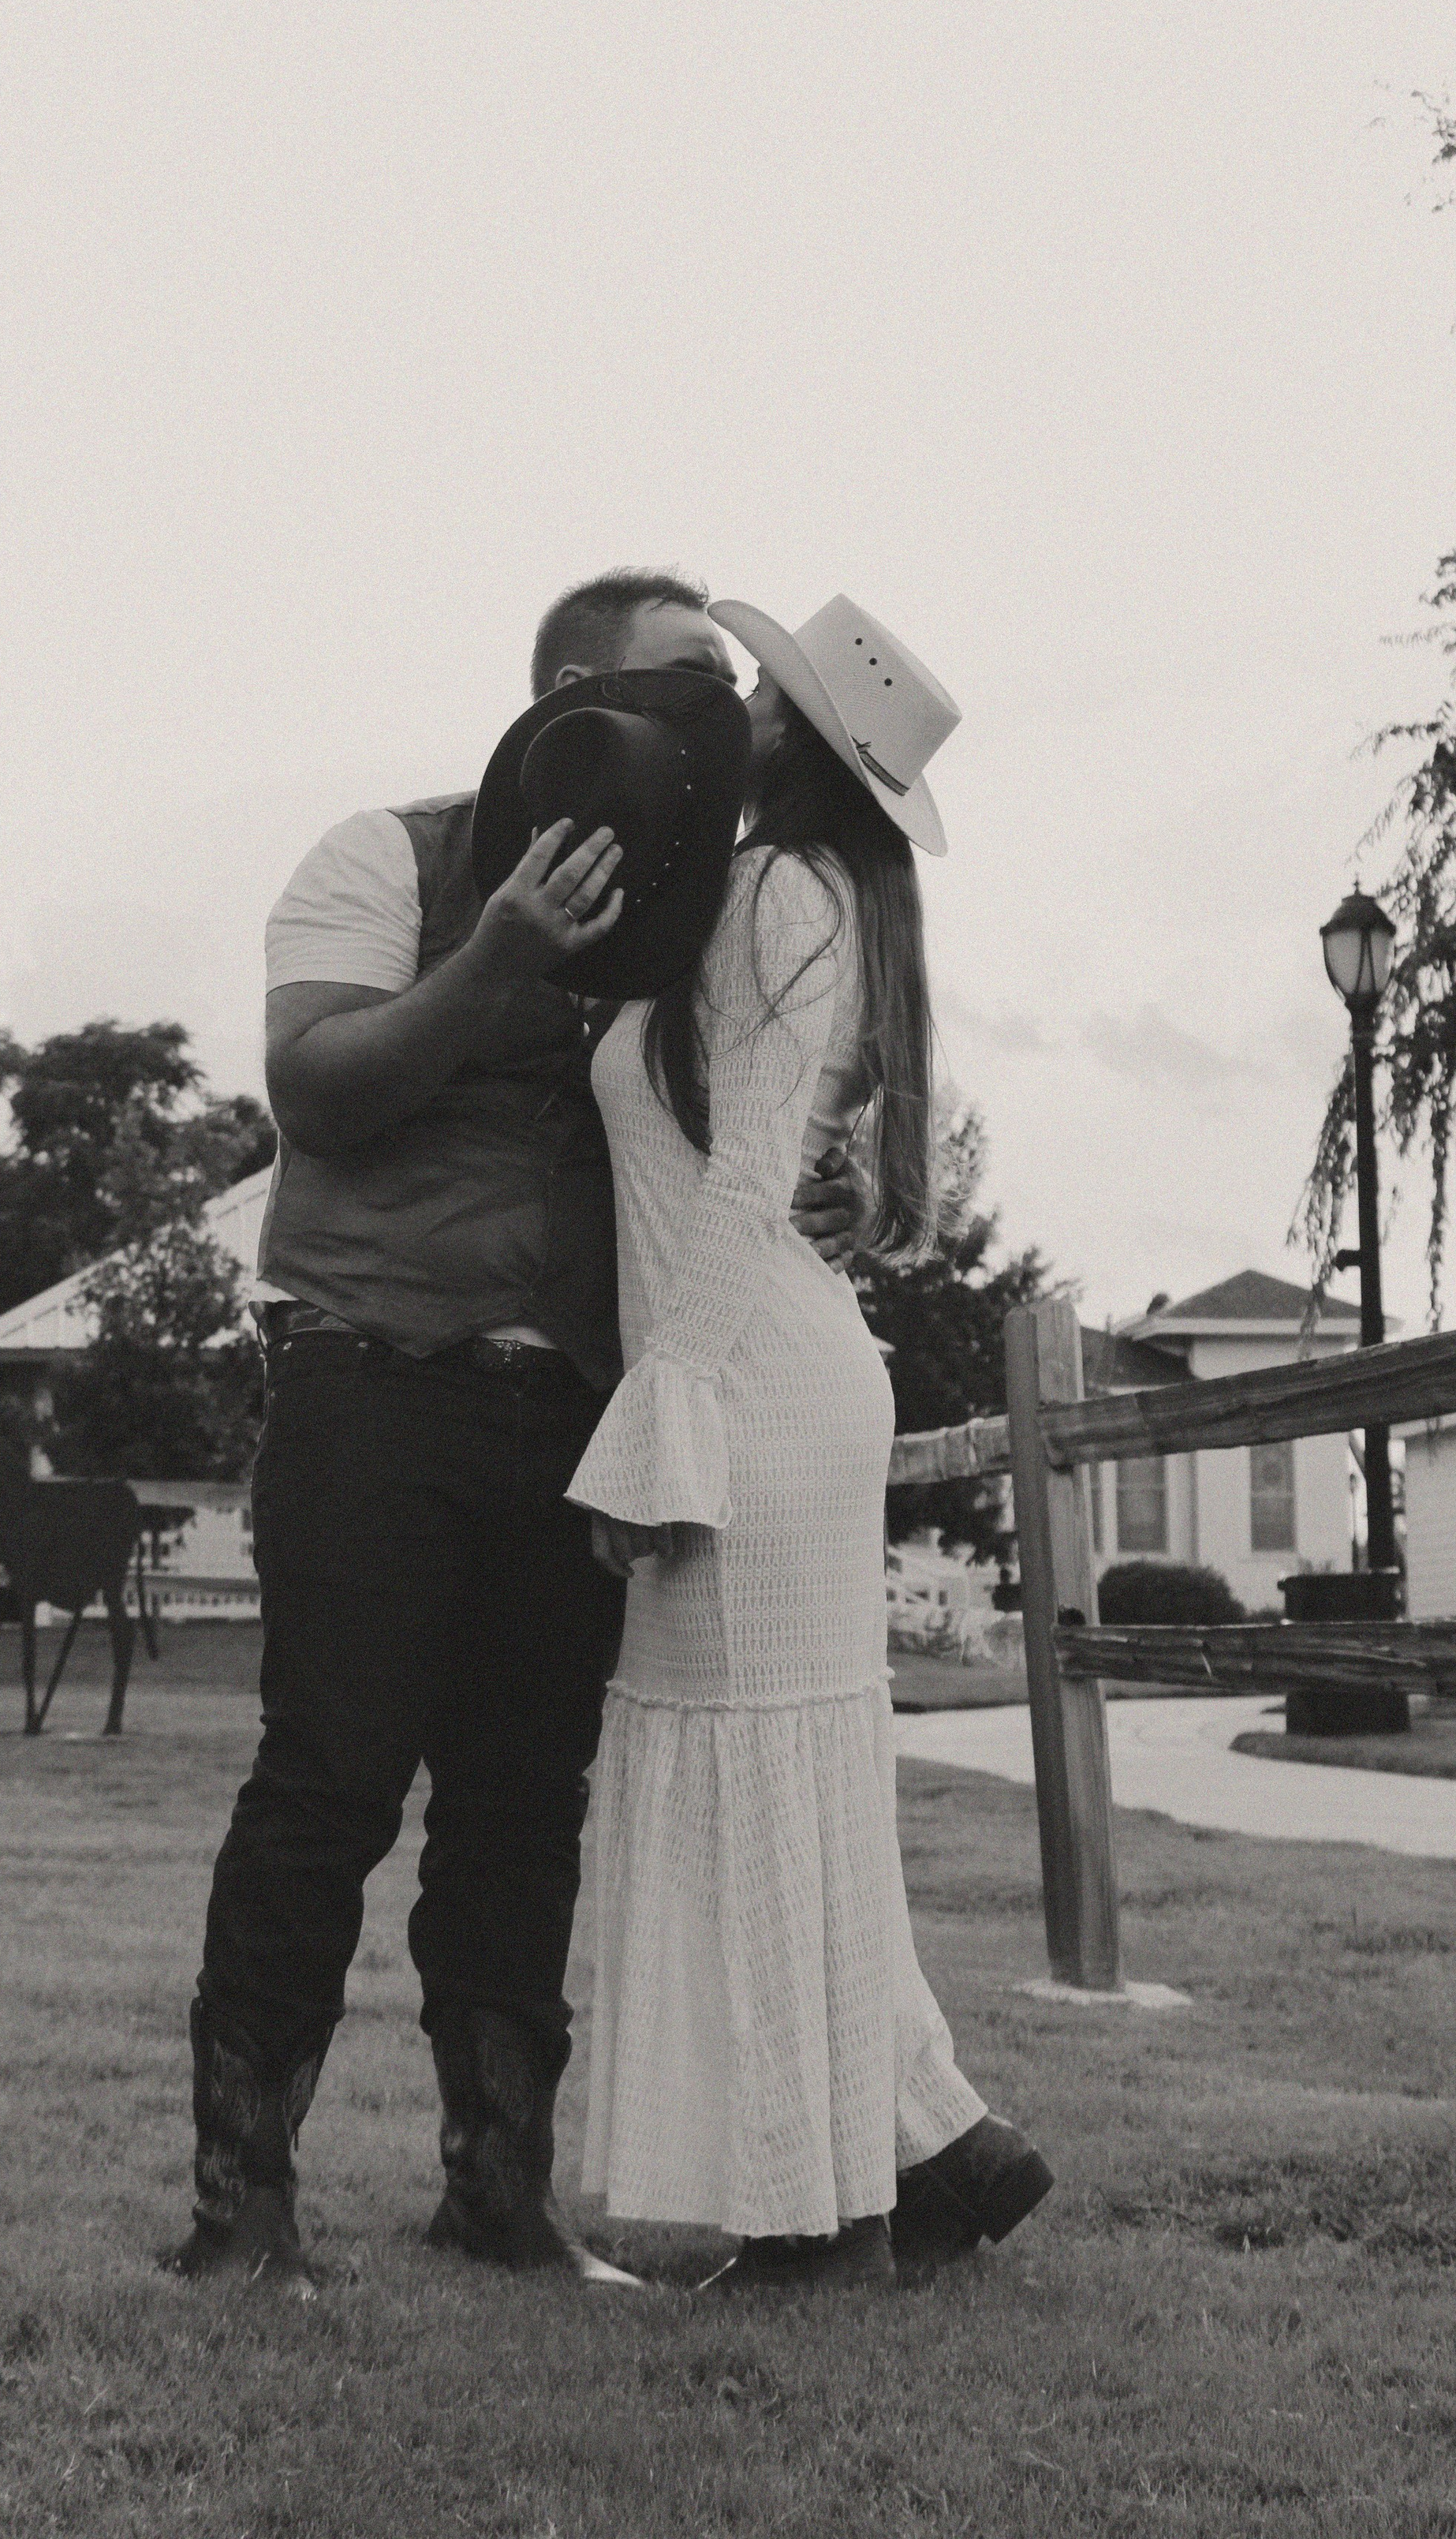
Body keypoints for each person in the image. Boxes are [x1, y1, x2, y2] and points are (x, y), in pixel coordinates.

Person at [166, 570, 863, 2296]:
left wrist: (797, 1181)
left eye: (729, 697)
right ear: (570, 693)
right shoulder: (383, 859)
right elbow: (315, 1093)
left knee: (517, 1810)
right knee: (325, 1786)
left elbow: (701, 1139)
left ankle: (496, 2200)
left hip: (569, 1414)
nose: (719, 722)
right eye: (680, 686)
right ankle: (239, 2208)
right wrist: (494, 963)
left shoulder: (692, 911)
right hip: (369, 1386)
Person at [569, 593, 1052, 2290]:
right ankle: (926, 2159)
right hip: (767, 1373)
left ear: (795, 734)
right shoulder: (802, 894)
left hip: (747, 1387)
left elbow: (740, 1173)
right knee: (787, 1799)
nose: (739, 705)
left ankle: (818, 2220)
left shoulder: (781, 890)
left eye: (760, 691)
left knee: (757, 1799)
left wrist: (662, 1423)